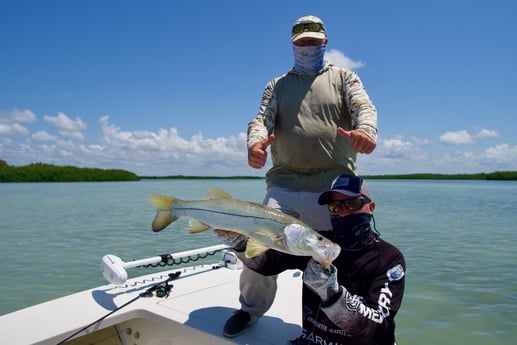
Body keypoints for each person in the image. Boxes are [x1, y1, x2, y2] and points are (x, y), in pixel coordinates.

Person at [218, 15, 378, 337]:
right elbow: (261, 120)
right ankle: (249, 310)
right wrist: (255, 145)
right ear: (293, 43)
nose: (307, 46)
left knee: (339, 253)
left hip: (334, 185)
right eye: (301, 40)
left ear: (324, 41)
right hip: (284, 183)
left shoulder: (345, 78)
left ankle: (341, 320)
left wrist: (366, 130)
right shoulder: (277, 85)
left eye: (313, 40)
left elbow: (365, 107)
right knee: (257, 247)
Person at [219, 174, 406, 344]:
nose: (342, 212)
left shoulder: (389, 258)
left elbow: (377, 330)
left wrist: (333, 295)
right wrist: (241, 244)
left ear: (371, 207)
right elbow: (267, 264)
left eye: (353, 204)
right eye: (334, 206)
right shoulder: (317, 244)